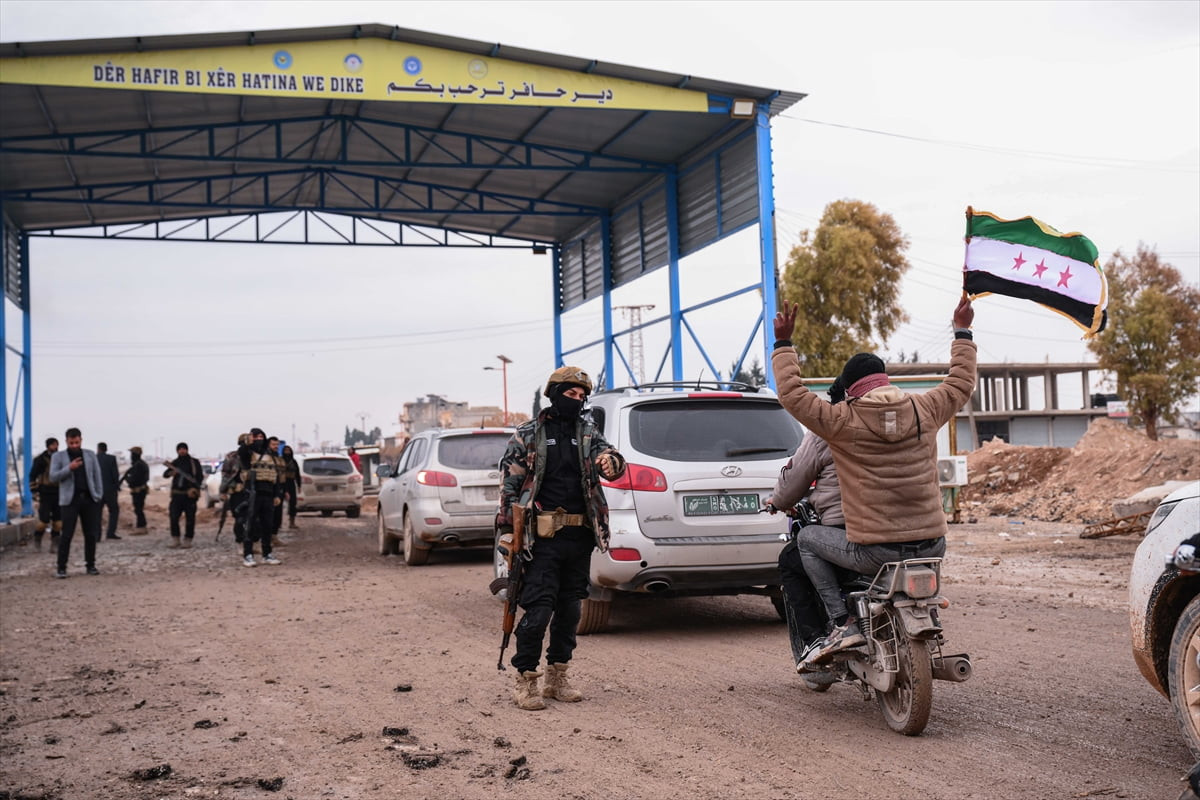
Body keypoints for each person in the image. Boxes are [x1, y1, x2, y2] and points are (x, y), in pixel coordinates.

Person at [771, 296, 977, 666]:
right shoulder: (925, 408)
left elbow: (792, 395)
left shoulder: (840, 420)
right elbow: (961, 382)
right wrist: (962, 330)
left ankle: (841, 621)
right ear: (886, 381)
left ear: (850, 390)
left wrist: (784, 344)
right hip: (933, 546)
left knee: (805, 539)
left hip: (877, 553)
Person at [496, 366, 627, 710]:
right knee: (538, 610)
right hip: (540, 539)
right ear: (554, 394)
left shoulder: (587, 432)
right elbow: (509, 488)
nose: (577, 401)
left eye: (582, 397)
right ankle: (525, 678)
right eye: (571, 394)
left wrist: (611, 462)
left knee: (570, 610)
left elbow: (610, 456)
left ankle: (558, 676)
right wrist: (507, 532)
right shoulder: (527, 434)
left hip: (579, 534)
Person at [766, 376, 847, 689]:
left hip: (848, 533)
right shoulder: (899, 424)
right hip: (914, 534)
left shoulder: (825, 432)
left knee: (794, 556)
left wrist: (778, 501)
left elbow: (792, 482)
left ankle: (820, 637)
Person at [49, 427, 104, 578]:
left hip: (89, 499)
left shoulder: (90, 455)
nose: (74, 445)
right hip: (69, 501)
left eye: (76, 442)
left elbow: (97, 476)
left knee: (91, 534)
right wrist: (69, 468)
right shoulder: (58, 457)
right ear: (66, 441)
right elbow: (53, 477)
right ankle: (61, 567)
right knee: (66, 534)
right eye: (71, 442)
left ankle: (91, 565)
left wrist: (98, 495)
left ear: (81, 440)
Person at [237, 428, 282, 567]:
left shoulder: (271, 456)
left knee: (267, 526)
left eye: (261, 437)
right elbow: (242, 452)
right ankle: (248, 555)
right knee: (250, 526)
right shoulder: (248, 454)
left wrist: (277, 494)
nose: (259, 440)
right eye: (256, 437)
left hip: (268, 494)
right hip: (253, 493)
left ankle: (267, 554)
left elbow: (275, 476)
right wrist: (247, 442)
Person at [164, 442, 204, 548]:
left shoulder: (194, 463)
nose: (182, 451)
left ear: (187, 450)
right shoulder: (175, 463)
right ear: (177, 451)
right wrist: (171, 473)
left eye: (184, 449)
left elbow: (199, 477)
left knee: (190, 519)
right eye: (180, 449)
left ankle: (188, 539)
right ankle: (175, 539)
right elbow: (165, 474)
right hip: (177, 495)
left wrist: (195, 488)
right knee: (173, 518)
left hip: (189, 496)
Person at [28, 437, 62, 551]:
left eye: (56, 445)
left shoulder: (62, 458)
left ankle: (55, 543)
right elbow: (32, 475)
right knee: (43, 520)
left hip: (59, 493)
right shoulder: (40, 460)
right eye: (53, 445)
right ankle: (37, 539)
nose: (55, 447)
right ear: (48, 446)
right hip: (45, 493)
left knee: (58, 521)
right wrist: (34, 491)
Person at [120, 446, 150, 532]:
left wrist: (127, 479)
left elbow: (135, 479)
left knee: (138, 509)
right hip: (140, 490)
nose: (131, 456)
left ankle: (141, 527)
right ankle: (141, 526)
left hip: (139, 490)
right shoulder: (140, 464)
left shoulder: (138, 465)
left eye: (132, 454)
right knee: (138, 508)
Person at [95, 442, 122, 540]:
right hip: (110, 490)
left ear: (98, 449)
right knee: (114, 511)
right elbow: (115, 474)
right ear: (106, 449)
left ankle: (97, 535)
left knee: (97, 513)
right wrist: (117, 486)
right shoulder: (111, 459)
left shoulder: (94, 458)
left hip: (97, 491)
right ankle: (110, 533)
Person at [280, 445, 300, 530]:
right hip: (281, 483)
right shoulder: (280, 461)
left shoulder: (293, 461)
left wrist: (299, 485)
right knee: (279, 504)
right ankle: (278, 523)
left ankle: (292, 522)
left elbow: (297, 474)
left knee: (293, 503)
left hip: (291, 482)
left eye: (289, 450)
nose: (287, 452)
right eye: (286, 450)